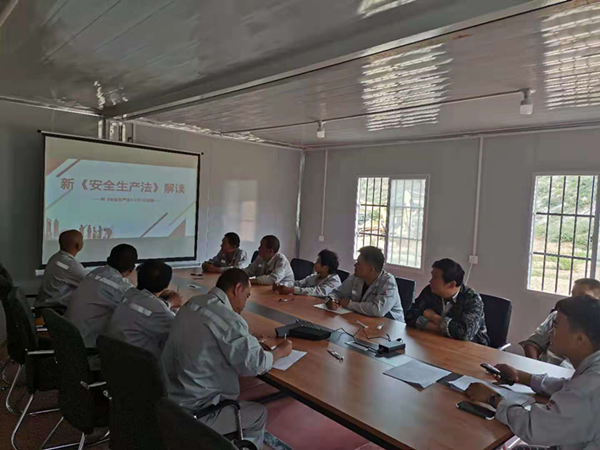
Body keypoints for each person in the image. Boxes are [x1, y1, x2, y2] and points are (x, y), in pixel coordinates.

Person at [162, 269, 292, 449]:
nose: (245, 304)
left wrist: (248, 341)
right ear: (237, 289)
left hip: (169, 401)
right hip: (197, 412)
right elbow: (255, 364)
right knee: (259, 413)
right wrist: (280, 351)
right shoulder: (228, 318)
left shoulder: (193, 303)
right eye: (247, 296)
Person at [465, 295, 600, 450]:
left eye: (556, 326)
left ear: (579, 339)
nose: (551, 331)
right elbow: (567, 387)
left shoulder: (592, 386)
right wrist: (522, 377)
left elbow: (534, 427)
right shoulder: (591, 372)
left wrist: (493, 398)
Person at [106, 260, 182, 360]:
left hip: (115, 357)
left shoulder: (129, 293)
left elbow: (147, 307)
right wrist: (171, 305)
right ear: (166, 286)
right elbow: (179, 330)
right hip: (138, 362)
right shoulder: (157, 309)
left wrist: (164, 303)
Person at [66, 244, 138, 348]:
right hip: (88, 347)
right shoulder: (120, 287)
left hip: (71, 339)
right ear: (131, 269)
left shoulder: (95, 273)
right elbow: (137, 311)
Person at [405, 258, 489, 346]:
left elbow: (463, 334)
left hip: (473, 348)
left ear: (452, 284)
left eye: (435, 277)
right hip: (438, 342)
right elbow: (409, 315)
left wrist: (433, 316)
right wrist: (442, 328)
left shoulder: (472, 299)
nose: (430, 281)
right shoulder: (430, 291)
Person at [520, 278, 600, 369]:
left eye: (582, 296)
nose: (574, 299)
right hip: (545, 368)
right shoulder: (558, 316)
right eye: (573, 294)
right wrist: (535, 367)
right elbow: (532, 344)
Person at [325, 246, 404, 321]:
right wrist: (331, 300)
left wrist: (349, 304)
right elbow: (336, 293)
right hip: (363, 320)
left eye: (358, 263)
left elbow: (377, 310)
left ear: (371, 269)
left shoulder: (388, 282)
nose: (355, 265)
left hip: (391, 325)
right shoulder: (356, 277)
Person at [37, 230, 87, 308]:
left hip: (46, 308)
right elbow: (91, 283)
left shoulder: (56, 258)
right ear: (78, 245)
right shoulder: (70, 265)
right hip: (57, 310)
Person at [274, 249, 341, 298]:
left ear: (325, 267)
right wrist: (281, 285)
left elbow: (317, 292)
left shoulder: (334, 281)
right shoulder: (315, 276)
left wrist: (292, 290)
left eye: (318, 262)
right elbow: (298, 283)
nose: (315, 263)